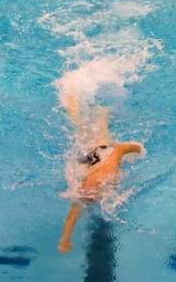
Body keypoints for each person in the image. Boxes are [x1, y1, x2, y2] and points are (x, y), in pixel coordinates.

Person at [58, 94, 144, 254]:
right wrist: (65, 239)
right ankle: (79, 104)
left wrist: (140, 149)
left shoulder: (108, 174)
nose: (86, 196)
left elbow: (120, 149)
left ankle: (95, 108)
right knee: (83, 130)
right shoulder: (85, 191)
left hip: (104, 152)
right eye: (86, 193)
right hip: (95, 159)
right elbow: (72, 216)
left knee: (91, 131)